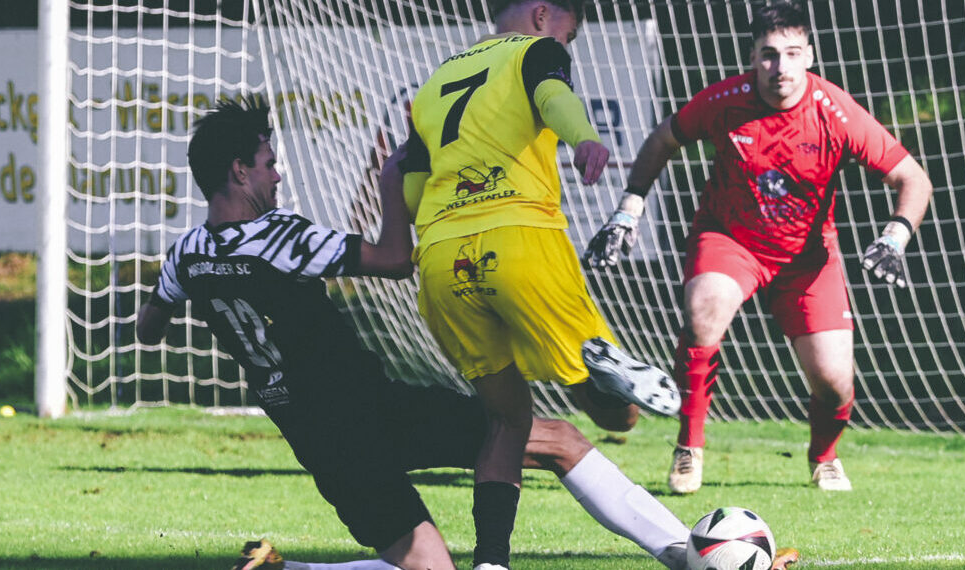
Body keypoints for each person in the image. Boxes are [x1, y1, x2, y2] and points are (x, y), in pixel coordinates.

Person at [135, 97, 702, 570]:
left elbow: (149, 327)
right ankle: (691, 554)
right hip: (370, 408)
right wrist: (390, 181)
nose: (277, 173)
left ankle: (287, 569)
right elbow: (393, 259)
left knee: (433, 566)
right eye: (267, 162)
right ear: (239, 171)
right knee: (558, 441)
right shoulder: (280, 237)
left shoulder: (186, 255)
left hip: (316, 438)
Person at [583, 0, 933, 494]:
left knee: (835, 382)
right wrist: (629, 209)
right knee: (704, 311)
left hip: (808, 257)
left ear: (809, 55)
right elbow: (663, 139)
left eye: (792, 53)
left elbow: (912, 177)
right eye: (769, 55)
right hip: (731, 239)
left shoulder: (835, 111)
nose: (780, 67)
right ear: (752, 58)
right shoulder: (725, 100)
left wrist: (896, 235)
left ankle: (825, 456)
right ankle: (689, 445)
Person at [398, 1, 681, 566]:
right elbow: (554, 95)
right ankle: (603, 361)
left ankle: (491, 560)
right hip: (520, 242)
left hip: (441, 261)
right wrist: (582, 139)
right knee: (618, 417)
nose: (567, 45)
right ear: (542, 14)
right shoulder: (537, 51)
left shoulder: (433, 85)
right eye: (570, 35)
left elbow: (410, 189)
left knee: (508, 420)